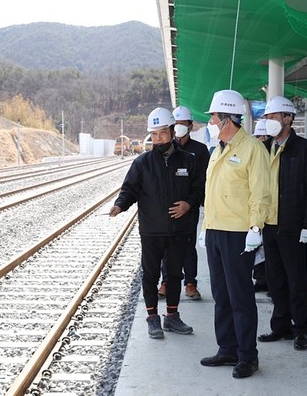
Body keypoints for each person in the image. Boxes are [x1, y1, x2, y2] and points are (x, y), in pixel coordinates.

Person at [109, 107, 204, 339]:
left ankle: (172, 317)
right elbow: (130, 189)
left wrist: (188, 205)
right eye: (154, 134)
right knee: (150, 275)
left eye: (162, 133)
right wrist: (120, 205)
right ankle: (153, 318)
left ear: (172, 131)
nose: (158, 138)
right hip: (151, 230)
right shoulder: (142, 163)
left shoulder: (188, 160)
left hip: (179, 228)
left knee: (174, 275)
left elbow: (199, 189)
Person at [199, 89, 271, 379]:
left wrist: (256, 227)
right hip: (216, 232)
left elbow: (262, 193)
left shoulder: (252, 149)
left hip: (239, 234)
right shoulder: (218, 148)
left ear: (227, 119)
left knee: (240, 296)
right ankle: (227, 348)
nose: (211, 122)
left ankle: (247, 355)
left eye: (214, 117)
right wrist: (206, 229)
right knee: (221, 295)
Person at [257, 96, 307, 351]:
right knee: (275, 281)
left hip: (293, 227)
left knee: (296, 280)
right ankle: (280, 326)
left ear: (288, 118)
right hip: (269, 225)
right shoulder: (266, 149)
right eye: (267, 118)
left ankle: (300, 329)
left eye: (274, 117)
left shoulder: (305, 150)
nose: (270, 122)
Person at [157, 106, 210, 300]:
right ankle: (166, 282)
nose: (178, 127)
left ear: (190, 125)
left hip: (190, 207)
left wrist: (190, 203)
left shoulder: (200, 150)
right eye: (175, 124)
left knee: (188, 246)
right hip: (168, 208)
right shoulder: (166, 149)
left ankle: (190, 283)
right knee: (166, 245)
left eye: (182, 124)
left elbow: (203, 181)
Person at [251, 118, 271, 293]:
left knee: (270, 251)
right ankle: (260, 279)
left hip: (272, 211)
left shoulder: (274, 153)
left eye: (264, 137)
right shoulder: (253, 153)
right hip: (255, 210)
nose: (261, 140)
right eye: (258, 136)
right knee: (257, 248)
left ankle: (270, 281)